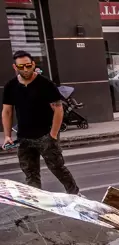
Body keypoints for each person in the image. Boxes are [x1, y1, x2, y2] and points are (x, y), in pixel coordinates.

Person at [2, 50, 79, 195]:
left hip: (45, 134)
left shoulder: (45, 84)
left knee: (57, 167)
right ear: (15, 67)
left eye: (28, 65)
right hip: (23, 137)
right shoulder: (10, 86)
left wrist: (53, 134)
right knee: (30, 172)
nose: (25, 69)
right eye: (21, 67)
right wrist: (7, 135)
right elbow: (7, 111)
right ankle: (37, 198)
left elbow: (58, 109)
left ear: (33, 64)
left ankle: (74, 193)